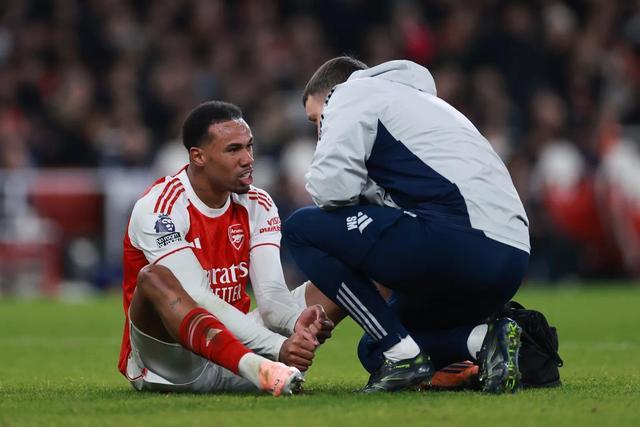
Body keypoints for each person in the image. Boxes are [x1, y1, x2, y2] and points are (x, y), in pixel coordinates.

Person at [283, 57, 530, 393]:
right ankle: (487, 341)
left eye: (318, 119)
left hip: (462, 243)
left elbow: (331, 189)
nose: (319, 131)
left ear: (331, 95)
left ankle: (404, 356)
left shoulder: (350, 94)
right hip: (511, 258)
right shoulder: (423, 105)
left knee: (302, 228)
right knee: (374, 349)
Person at [117, 101, 333, 396]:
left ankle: (394, 358)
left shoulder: (258, 203)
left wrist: (297, 324)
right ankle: (259, 368)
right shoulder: (160, 208)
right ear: (198, 156)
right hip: (173, 363)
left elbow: (271, 295)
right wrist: (277, 346)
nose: (248, 159)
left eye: (249, 146)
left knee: (341, 276)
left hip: (242, 344)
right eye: (233, 150)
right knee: (154, 277)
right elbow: (198, 297)